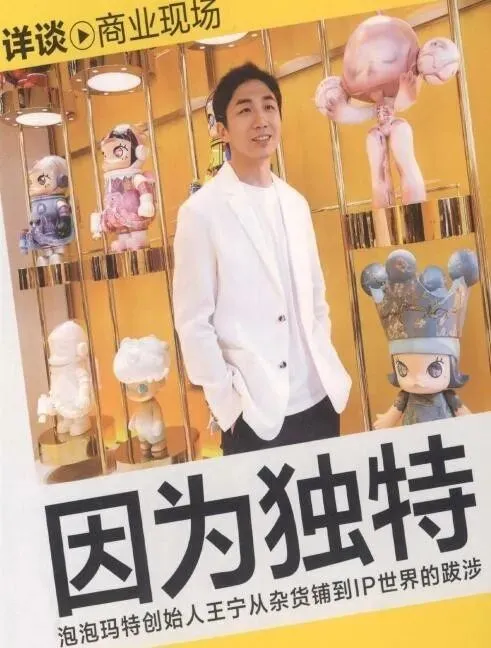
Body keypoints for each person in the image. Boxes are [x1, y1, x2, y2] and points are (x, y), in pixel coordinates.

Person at [172, 62, 351, 455]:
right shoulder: (201, 212)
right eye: (244, 109)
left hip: (320, 399)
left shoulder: (295, 202)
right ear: (221, 129)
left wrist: (322, 351)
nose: (261, 119)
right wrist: (227, 405)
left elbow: (316, 296)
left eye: (269, 106)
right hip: (255, 413)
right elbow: (192, 322)